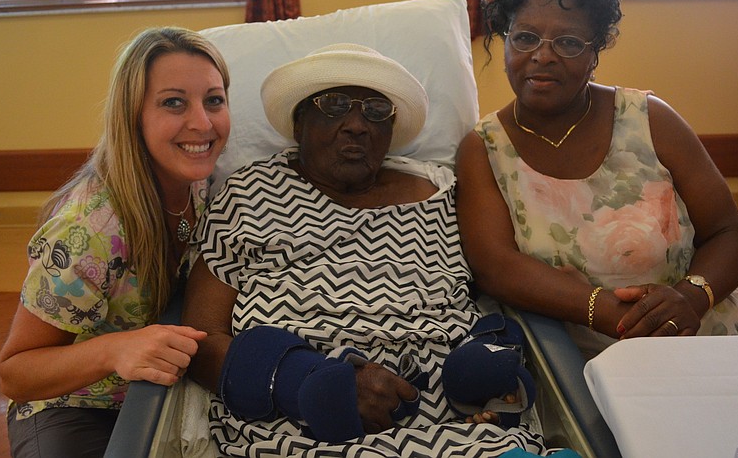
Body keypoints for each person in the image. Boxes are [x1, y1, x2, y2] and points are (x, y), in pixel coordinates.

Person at [182, 43, 555, 457]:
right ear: (299, 122)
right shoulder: (248, 195)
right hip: (302, 429)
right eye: (334, 105)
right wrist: (309, 382)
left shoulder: (442, 191)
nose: (357, 125)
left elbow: (495, 276)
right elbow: (199, 340)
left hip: (466, 426)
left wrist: (489, 360)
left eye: (376, 111)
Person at [456, 0, 738, 360]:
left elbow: (727, 230)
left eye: (568, 43)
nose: (543, 55)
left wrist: (690, 297)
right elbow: (495, 268)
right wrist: (607, 310)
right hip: (581, 364)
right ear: (506, 41)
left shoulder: (650, 119)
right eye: (525, 37)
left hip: (704, 335)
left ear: (595, 53)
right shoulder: (483, 148)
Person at [0, 26, 231, 457]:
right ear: (132, 116)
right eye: (174, 102)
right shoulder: (90, 230)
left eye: (214, 100)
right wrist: (113, 350)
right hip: (75, 403)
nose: (203, 123)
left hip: (165, 388)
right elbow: (16, 373)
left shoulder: (207, 184)